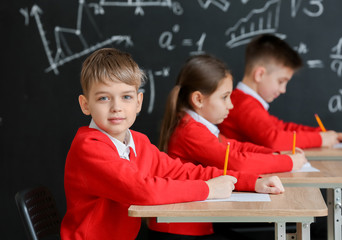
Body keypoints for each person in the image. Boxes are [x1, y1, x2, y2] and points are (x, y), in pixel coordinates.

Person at [60, 48, 285, 240]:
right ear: (85, 104)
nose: (116, 107)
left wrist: (251, 182)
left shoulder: (137, 142)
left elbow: (181, 171)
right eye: (103, 98)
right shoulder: (89, 147)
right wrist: (208, 190)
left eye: (126, 97)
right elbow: (142, 190)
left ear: (138, 102)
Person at [147, 54, 304, 239]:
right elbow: (237, 162)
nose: (230, 105)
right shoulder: (190, 131)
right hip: (179, 230)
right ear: (198, 99)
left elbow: (235, 147)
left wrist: (276, 154)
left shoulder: (197, 126)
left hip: (193, 223)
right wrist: (288, 162)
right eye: (224, 97)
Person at [218, 34, 342, 151]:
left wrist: (325, 134)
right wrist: (320, 139)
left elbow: (281, 128)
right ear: (259, 74)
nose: (283, 89)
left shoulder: (245, 101)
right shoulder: (245, 105)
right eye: (280, 81)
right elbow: (273, 140)